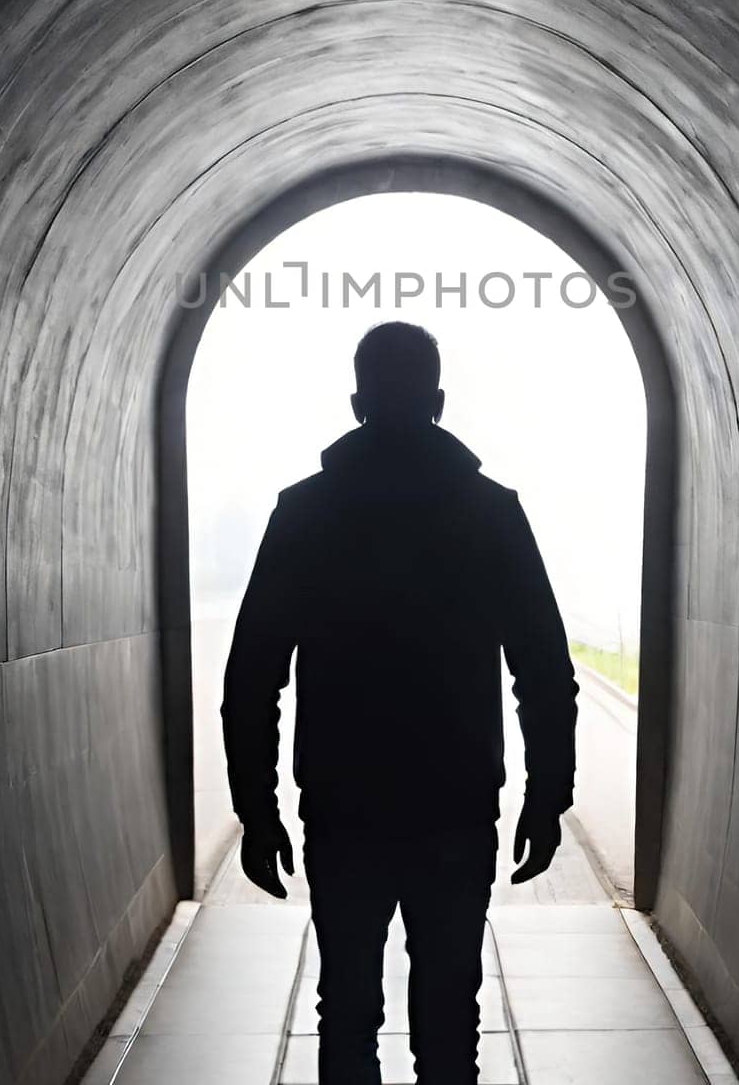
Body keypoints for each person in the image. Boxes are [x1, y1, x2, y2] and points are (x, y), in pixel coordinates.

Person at [221, 320, 579, 1085]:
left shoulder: (304, 513)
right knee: (450, 1014)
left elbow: (253, 676)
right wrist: (546, 797)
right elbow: (543, 670)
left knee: (345, 1011)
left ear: (356, 404)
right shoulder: (491, 512)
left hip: (343, 805)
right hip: (454, 804)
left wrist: (257, 809)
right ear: (438, 402)